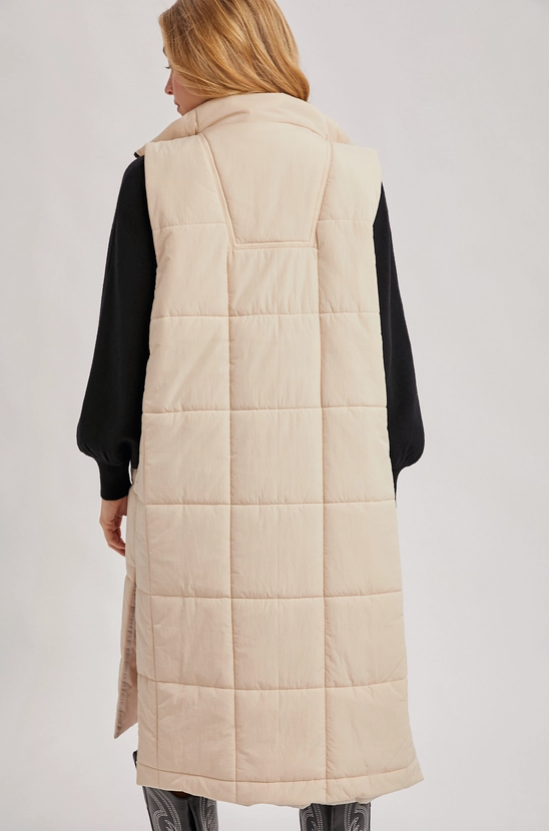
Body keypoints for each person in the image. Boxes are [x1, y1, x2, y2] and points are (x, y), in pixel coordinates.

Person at [76, 1, 426, 829]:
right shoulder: (351, 173)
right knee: (337, 710)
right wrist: (372, 479)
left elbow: (121, 348)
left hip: (189, 496)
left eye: (173, 64)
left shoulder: (156, 175)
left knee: (187, 702)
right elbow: (392, 365)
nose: (167, 87)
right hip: (339, 500)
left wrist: (112, 472)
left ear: (216, 60)